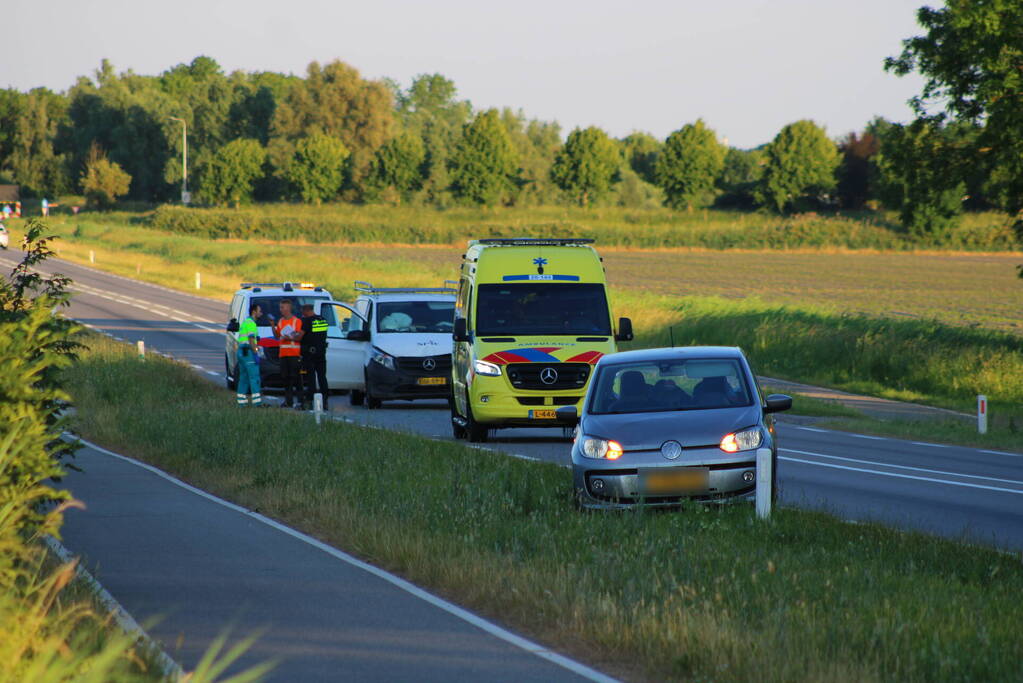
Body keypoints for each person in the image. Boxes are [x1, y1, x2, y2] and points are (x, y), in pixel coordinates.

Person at [272, 298, 304, 408]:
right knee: (286, 379)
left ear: (289, 308)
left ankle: (300, 401)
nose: (280, 310)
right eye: (280, 307)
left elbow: (299, 337)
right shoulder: (280, 321)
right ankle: (288, 401)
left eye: (282, 307)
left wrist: (289, 338)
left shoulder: (297, 321)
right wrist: (273, 325)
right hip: (283, 354)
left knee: (296, 378)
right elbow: (277, 336)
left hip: (294, 354)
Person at [299, 303, 329, 410]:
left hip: (310, 354)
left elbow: (300, 336)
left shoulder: (307, 321)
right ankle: (324, 401)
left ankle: (310, 401)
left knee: (311, 378)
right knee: (322, 377)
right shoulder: (322, 320)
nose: (302, 315)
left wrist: (292, 336)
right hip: (321, 353)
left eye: (303, 312)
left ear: (306, 311)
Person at [236, 303, 263, 407]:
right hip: (248, 352)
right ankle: (257, 403)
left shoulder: (245, 322)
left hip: (241, 352)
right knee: (254, 378)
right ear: (254, 312)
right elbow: (251, 339)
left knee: (244, 378)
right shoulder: (251, 323)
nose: (261, 313)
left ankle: (241, 403)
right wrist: (256, 352)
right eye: (259, 311)